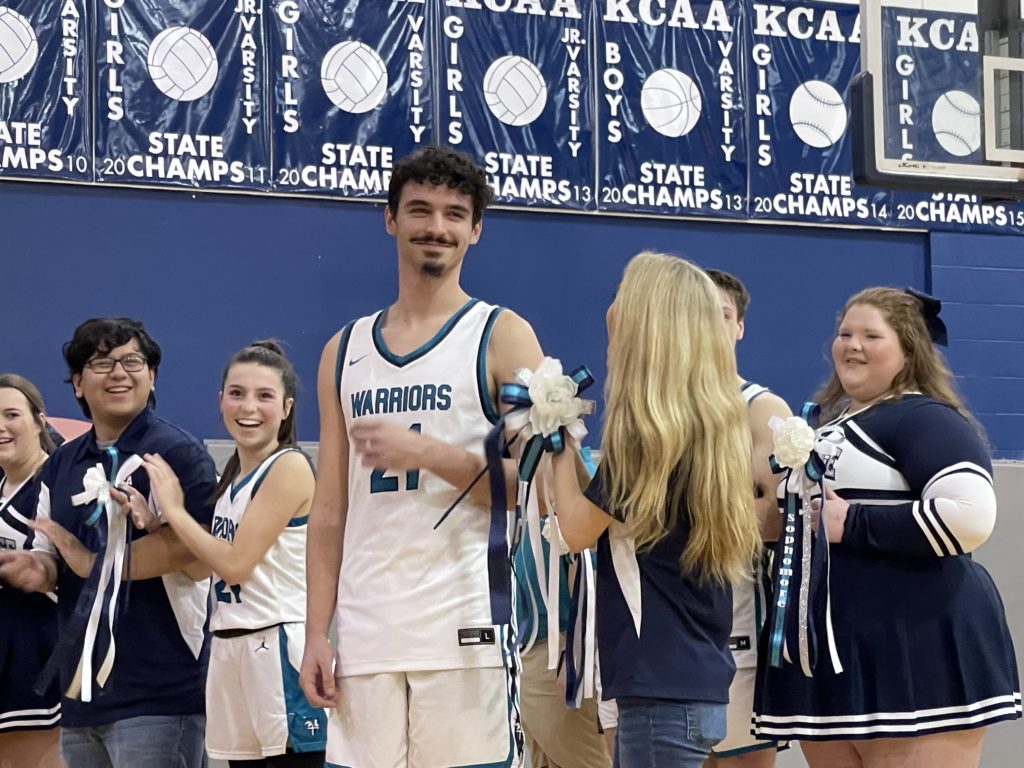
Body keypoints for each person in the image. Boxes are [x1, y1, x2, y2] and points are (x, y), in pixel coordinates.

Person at [299, 145, 544, 767]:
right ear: (391, 218)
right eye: (420, 210)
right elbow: (328, 510)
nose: (437, 227)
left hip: (465, 628)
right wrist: (316, 632)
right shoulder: (343, 350)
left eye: (455, 214)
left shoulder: (502, 335)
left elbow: (533, 487)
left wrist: (429, 453)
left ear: (475, 229)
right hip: (365, 634)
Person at [753, 287, 1022, 768]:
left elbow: (971, 516)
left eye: (871, 335)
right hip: (834, 654)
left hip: (914, 644)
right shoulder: (826, 423)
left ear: (909, 349)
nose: (852, 345)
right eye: (844, 334)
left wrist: (854, 521)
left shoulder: (925, 418)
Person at [549, 251, 762, 768]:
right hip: (688, 680)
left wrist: (552, 437)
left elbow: (574, 530)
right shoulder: (699, 423)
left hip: (659, 687)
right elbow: (602, 512)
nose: (611, 312)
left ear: (647, 324)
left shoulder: (647, 439)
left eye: (623, 299)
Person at [0, 317, 217, 768]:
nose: (119, 373)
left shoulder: (178, 453)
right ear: (78, 383)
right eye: (102, 363)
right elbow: (49, 556)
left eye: (132, 361)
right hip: (81, 699)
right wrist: (36, 569)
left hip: (160, 695)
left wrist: (86, 561)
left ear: (152, 375)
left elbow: (194, 552)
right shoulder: (61, 463)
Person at [141, 341, 326, 767]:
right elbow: (204, 566)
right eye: (237, 393)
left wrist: (175, 509)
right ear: (221, 399)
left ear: (287, 407)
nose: (249, 407)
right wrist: (157, 524)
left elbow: (236, 565)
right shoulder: (234, 475)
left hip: (276, 644)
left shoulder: (289, 466)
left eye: (265, 396)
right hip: (230, 645)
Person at [703, 270, 792, 768]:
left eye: (722, 315)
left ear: (739, 327)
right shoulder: (657, 408)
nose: (709, 325)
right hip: (668, 623)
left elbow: (777, 520)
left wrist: (692, 521)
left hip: (737, 619)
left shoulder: (761, 408)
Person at [0, 375, 61, 768]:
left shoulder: (56, 483)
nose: (1, 427)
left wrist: (36, 572)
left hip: (37, 650)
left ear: (39, 421)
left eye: (11, 415)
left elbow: (80, 571)